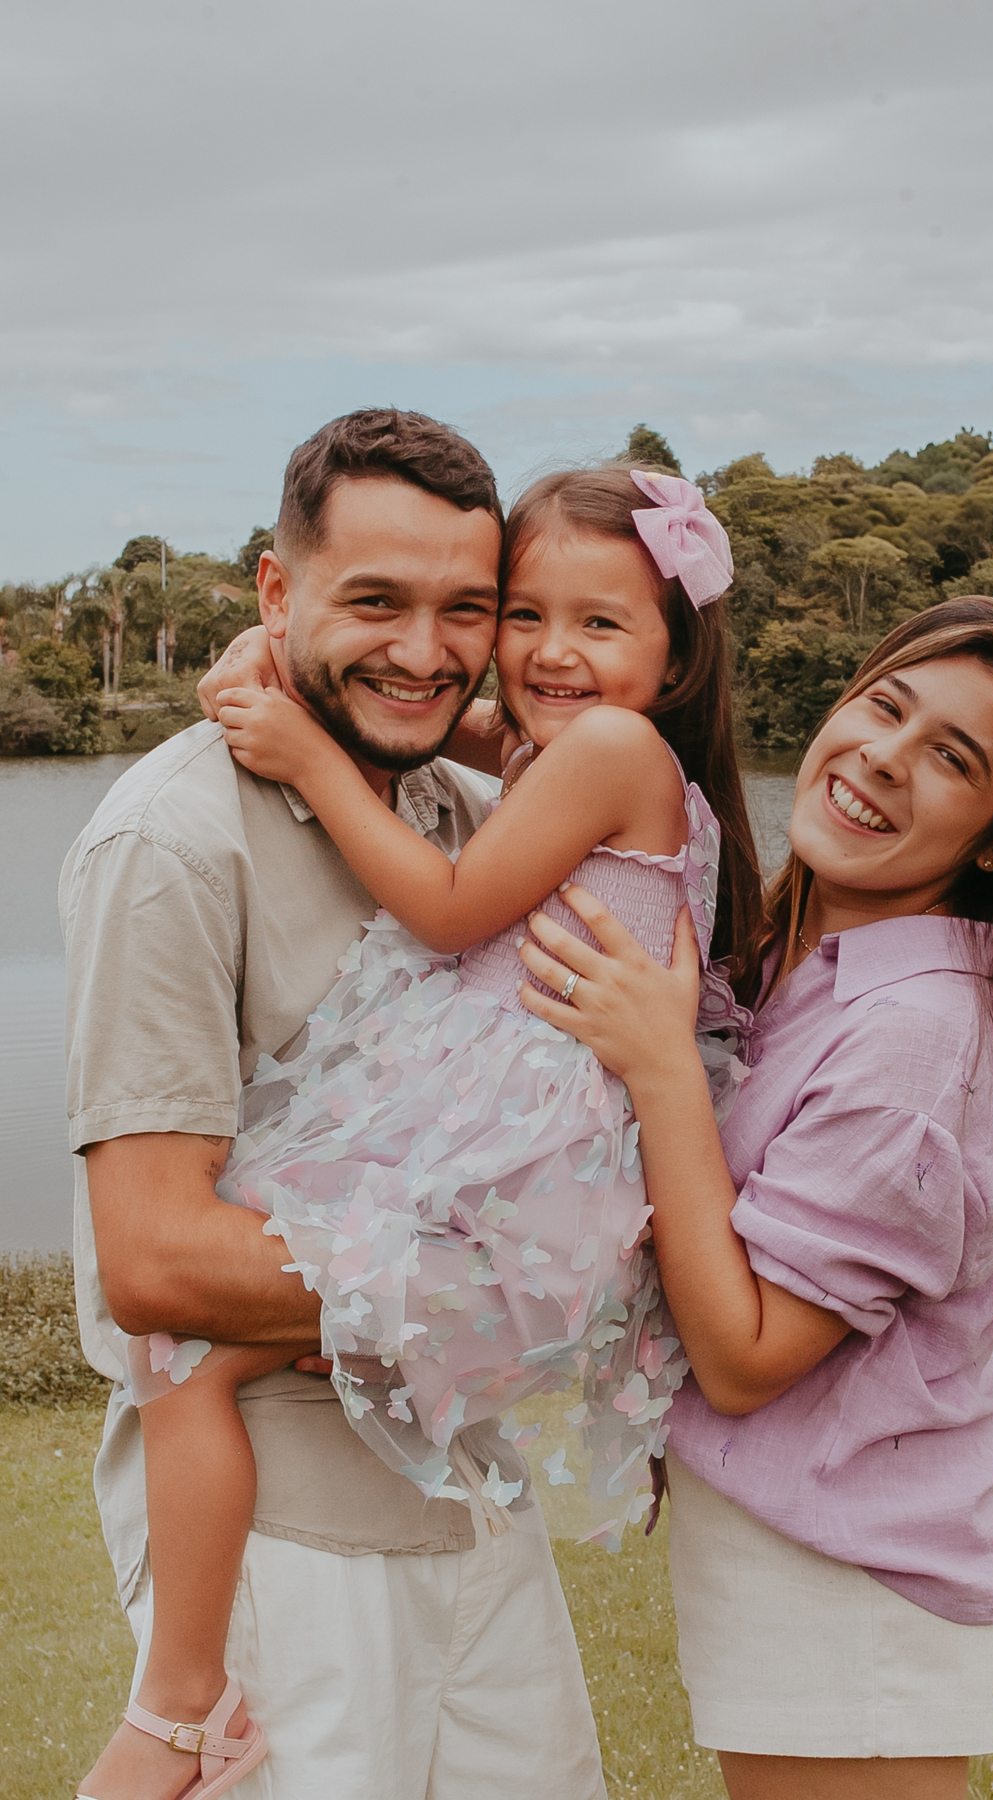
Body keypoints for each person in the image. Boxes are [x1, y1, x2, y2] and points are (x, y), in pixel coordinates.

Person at [72, 454, 764, 1800]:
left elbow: (453, 905)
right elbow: (152, 1267)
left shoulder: (470, 797)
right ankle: (175, 1713)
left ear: (672, 654)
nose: (449, 648)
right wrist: (465, 1288)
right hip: (300, 1535)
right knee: (184, 1364)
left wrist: (462, 1293)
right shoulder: (173, 844)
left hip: (461, 1503)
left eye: (467, 606)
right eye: (376, 599)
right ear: (279, 590)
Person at [516, 597, 993, 1800]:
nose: (883, 761)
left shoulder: (915, 1044)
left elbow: (746, 1357)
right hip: (802, 1558)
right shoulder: (813, 969)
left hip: (851, 1588)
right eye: (885, 707)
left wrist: (660, 1071)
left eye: (953, 759)